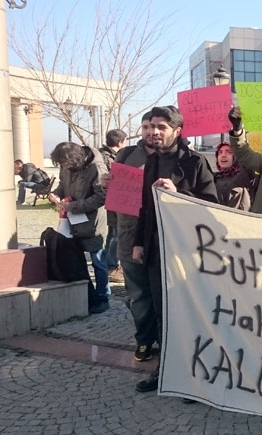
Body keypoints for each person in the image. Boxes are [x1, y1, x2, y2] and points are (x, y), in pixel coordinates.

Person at [132, 106, 218, 393]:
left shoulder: (196, 163)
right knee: (162, 312)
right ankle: (167, 370)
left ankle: (199, 378)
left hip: (188, 252)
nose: (154, 131)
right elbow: (145, 206)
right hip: (158, 249)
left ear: (177, 131)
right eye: (152, 126)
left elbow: (211, 207)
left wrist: (179, 194)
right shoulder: (152, 163)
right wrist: (138, 243)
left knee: (191, 312)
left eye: (162, 127)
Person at [100, 113, 160, 362]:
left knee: (163, 293)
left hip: (160, 237)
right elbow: (114, 201)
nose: (150, 131)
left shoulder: (175, 159)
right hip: (128, 234)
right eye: (146, 127)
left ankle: (168, 340)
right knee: (138, 294)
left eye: (156, 127)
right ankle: (144, 341)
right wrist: (107, 184)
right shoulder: (125, 157)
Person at [48, 142, 111, 314]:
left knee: (98, 261)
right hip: (71, 220)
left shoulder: (96, 167)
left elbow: (101, 197)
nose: (63, 168)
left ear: (75, 160)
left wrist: (74, 206)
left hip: (92, 221)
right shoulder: (66, 165)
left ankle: (103, 297)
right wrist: (56, 193)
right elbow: (62, 184)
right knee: (76, 257)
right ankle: (88, 294)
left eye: (65, 165)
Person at [99, 129, 127, 283]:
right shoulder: (105, 157)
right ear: (120, 142)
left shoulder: (109, 155)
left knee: (114, 233)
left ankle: (111, 263)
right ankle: (111, 266)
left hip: (117, 199)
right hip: (112, 199)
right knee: (114, 233)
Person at [213, 142, 256, 211]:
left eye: (228, 152)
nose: (223, 155)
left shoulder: (243, 176)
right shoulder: (213, 178)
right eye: (220, 152)